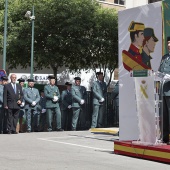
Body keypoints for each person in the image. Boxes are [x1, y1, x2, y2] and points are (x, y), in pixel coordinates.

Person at [158, 36, 170, 143]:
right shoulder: (164, 57)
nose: (169, 45)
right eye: (168, 43)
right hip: (163, 90)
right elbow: (160, 70)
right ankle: (165, 136)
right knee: (164, 115)